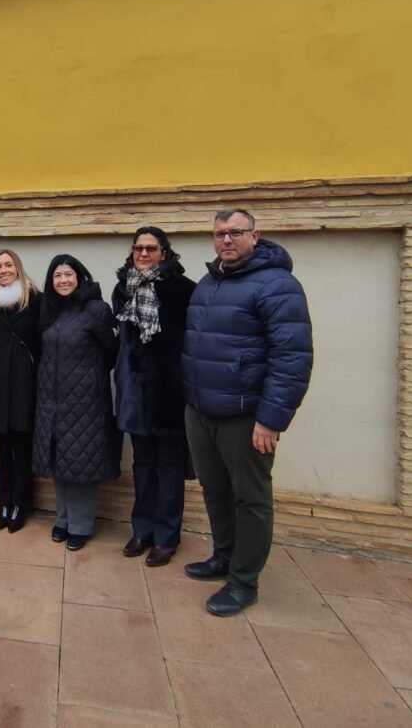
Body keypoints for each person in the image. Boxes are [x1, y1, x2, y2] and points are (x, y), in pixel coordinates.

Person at [182, 209, 313, 617]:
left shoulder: (278, 285)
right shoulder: (208, 282)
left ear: (255, 236)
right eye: (219, 234)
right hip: (202, 410)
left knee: (250, 498)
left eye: (235, 233)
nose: (226, 240)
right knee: (214, 489)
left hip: (245, 416)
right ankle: (224, 556)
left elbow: (292, 357)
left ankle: (243, 581)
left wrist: (271, 418)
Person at [113, 227, 196, 568]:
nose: (143, 254)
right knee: (142, 466)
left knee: (170, 469)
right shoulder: (123, 289)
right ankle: (142, 530)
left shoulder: (184, 290)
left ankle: (166, 537)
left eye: (151, 248)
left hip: (170, 394)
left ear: (164, 251)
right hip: (135, 393)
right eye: (138, 248)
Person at [33, 255, 120, 551]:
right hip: (50, 399)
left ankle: (80, 525)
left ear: (80, 277)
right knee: (58, 459)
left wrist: (88, 382)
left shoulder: (96, 310)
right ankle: (62, 519)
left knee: (81, 463)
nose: (63, 281)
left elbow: (111, 352)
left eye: (68, 274)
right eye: (57, 276)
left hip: (85, 402)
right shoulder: (50, 311)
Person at [0, 249, 41, 532]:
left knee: (22, 445)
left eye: (8, 265)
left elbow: (41, 342)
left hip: (25, 381)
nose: (3, 270)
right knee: (1, 446)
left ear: (18, 267)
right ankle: (3, 501)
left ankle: (20, 503)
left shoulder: (35, 299)